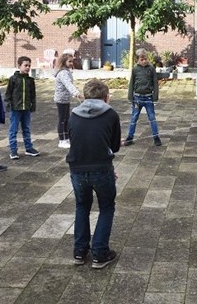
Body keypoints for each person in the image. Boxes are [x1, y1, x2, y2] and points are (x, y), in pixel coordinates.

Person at [67, 79, 121, 268]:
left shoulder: (73, 115)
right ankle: (99, 253)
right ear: (106, 97)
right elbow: (114, 147)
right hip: (101, 169)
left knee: (82, 206)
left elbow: (74, 140)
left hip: (77, 169)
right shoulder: (111, 115)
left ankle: (79, 252)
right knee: (106, 207)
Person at [123, 49, 161, 147]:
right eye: (142, 59)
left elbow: (155, 82)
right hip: (137, 98)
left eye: (145, 59)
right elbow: (132, 82)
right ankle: (130, 137)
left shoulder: (151, 68)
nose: (144, 61)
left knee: (152, 117)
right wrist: (130, 96)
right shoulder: (135, 69)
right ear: (138, 60)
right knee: (134, 117)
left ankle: (156, 137)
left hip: (148, 98)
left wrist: (155, 96)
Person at [4, 56, 39, 160]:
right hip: (16, 108)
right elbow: (8, 93)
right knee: (13, 130)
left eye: (29, 65)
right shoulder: (13, 79)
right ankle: (13, 150)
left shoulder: (30, 80)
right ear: (19, 66)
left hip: (26, 108)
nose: (27, 67)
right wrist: (8, 105)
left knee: (26, 129)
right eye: (25, 65)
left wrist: (33, 105)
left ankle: (29, 148)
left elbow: (33, 94)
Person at [54, 52, 83, 149]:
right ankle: (62, 140)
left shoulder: (67, 71)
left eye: (72, 61)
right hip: (61, 99)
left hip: (66, 99)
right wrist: (77, 94)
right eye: (69, 61)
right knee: (62, 120)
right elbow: (68, 85)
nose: (71, 63)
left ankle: (67, 138)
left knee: (67, 119)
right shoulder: (63, 73)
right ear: (64, 62)